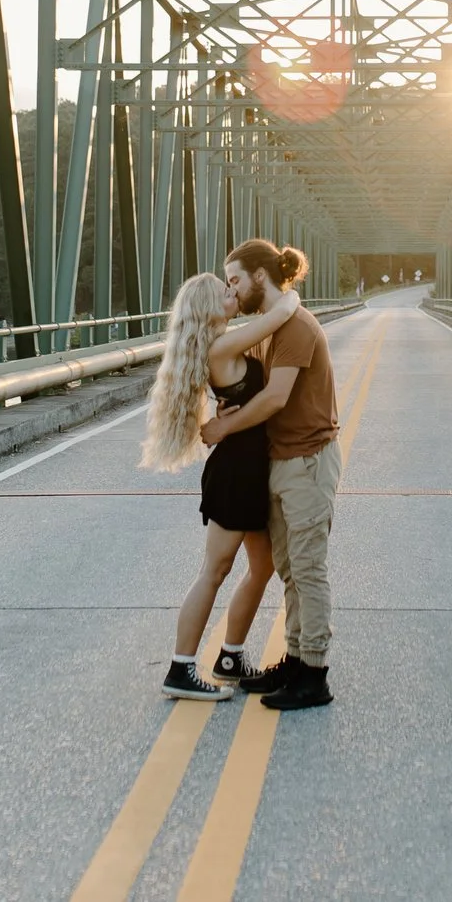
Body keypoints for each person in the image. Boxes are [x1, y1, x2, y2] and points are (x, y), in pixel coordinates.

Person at [140, 270, 301, 700]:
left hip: (247, 469)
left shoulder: (222, 344)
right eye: (225, 291)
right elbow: (281, 313)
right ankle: (180, 669)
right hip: (235, 473)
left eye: (233, 286)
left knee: (262, 567)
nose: (233, 293)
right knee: (214, 570)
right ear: (208, 308)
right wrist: (287, 289)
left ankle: (230, 656)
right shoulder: (222, 346)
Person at [202, 238, 338, 711]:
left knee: (308, 570)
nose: (232, 291)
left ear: (260, 276)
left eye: (235, 279)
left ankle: (314, 674)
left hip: (308, 460)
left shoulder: (296, 326)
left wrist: (223, 428)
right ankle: (296, 658)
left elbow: (276, 398)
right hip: (280, 461)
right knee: (290, 571)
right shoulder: (266, 327)